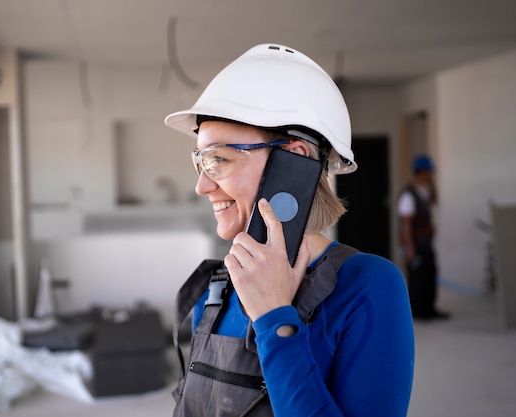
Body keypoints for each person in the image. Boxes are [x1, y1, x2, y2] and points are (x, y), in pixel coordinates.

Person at [165, 43, 414, 417]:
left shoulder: (368, 285)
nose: (202, 186)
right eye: (200, 162)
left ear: (293, 161)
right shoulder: (217, 287)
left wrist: (274, 315)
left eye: (219, 159)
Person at [398, 154, 450, 320]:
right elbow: (406, 224)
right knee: (418, 279)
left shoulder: (422, 192)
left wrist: (433, 184)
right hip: (416, 245)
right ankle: (418, 311)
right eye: (430, 172)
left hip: (426, 243)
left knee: (430, 274)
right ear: (423, 171)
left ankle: (429, 308)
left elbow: (434, 200)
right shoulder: (408, 195)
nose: (432, 175)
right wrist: (410, 249)